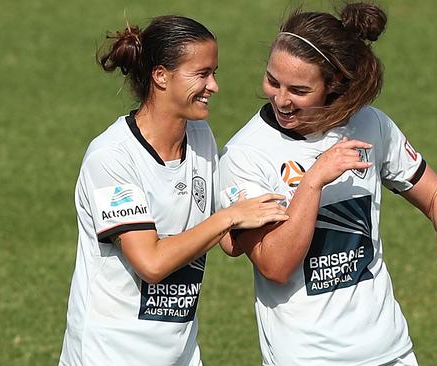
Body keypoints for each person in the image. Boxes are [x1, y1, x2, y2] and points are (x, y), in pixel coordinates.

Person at [218, 3, 437, 365]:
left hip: (391, 350)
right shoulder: (245, 155)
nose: (281, 99)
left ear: (333, 83)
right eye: (273, 81)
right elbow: (275, 266)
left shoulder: (370, 125)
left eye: (299, 90)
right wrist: (315, 179)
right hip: (308, 358)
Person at [58, 15, 288, 366]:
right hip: (110, 355)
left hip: (179, 354)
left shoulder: (199, 138)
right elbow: (150, 263)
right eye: (202, 74)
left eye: (214, 73)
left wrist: (292, 197)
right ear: (161, 76)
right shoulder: (112, 159)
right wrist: (231, 215)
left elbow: (226, 240)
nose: (214, 86)